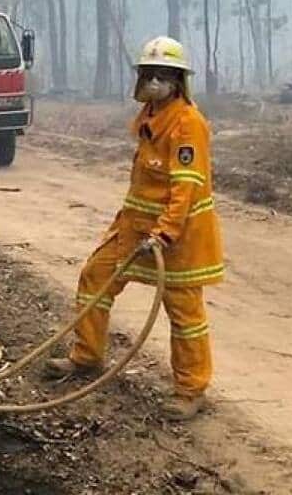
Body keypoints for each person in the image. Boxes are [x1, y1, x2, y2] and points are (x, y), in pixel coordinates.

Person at [45, 36, 223, 421]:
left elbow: (186, 188)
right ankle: (87, 356)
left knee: (184, 314)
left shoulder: (188, 124)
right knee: (95, 276)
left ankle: (191, 390)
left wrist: (164, 233)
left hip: (176, 239)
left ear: (178, 81)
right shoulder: (149, 118)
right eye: (150, 75)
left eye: (164, 76)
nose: (155, 83)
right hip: (134, 229)